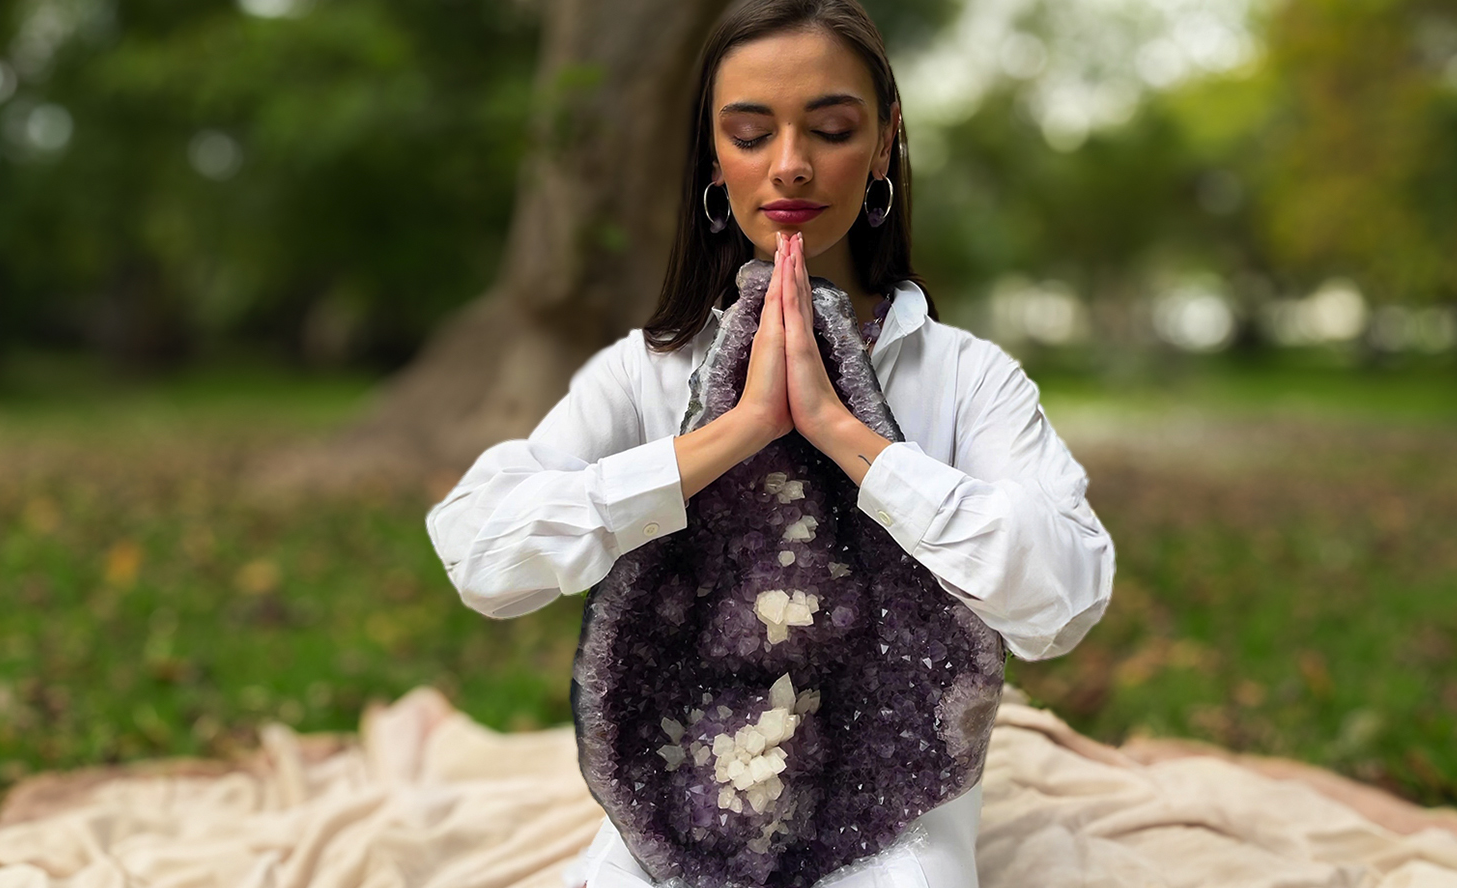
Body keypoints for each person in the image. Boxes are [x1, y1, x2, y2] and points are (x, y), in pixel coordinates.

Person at [425, 1, 1114, 885]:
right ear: (712, 153)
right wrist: (731, 435)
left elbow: (1062, 599)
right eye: (749, 134)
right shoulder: (643, 375)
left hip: (896, 809)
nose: (789, 166)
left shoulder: (968, 379)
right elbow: (482, 553)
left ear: (883, 140)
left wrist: (847, 437)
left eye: (829, 128)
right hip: (675, 798)